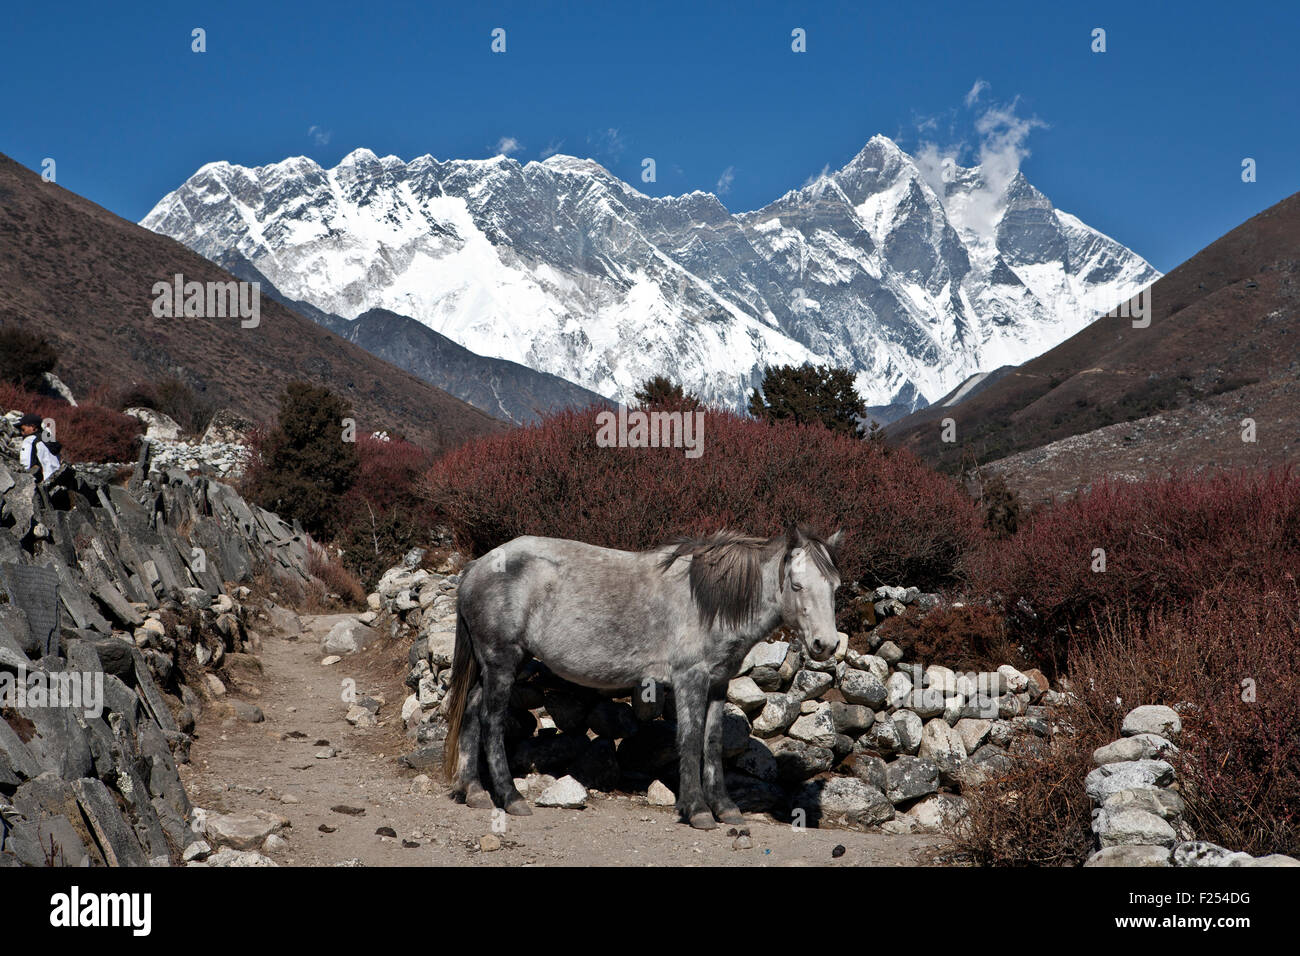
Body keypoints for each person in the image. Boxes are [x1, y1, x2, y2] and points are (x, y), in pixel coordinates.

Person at [17, 412, 61, 482]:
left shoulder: (30, 440)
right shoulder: (49, 439)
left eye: (23, 429)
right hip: (57, 477)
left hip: (42, 481)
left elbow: (26, 464)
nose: (22, 433)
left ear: (33, 427)